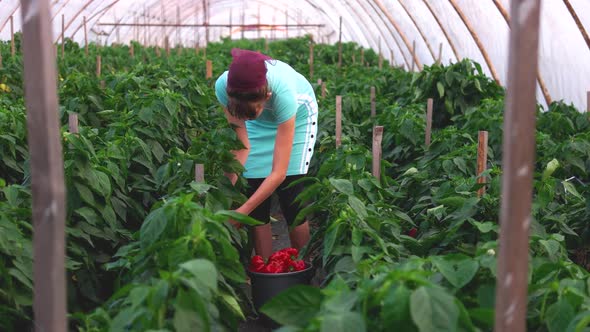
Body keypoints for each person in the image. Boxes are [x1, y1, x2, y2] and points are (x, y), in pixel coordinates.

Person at [214, 48, 318, 260]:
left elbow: (278, 173)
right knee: (254, 190)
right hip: (259, 124)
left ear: (267, 97)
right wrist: (223, 196)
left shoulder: (284, 95)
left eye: (252, 112)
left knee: (291, 191)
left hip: (297, 118)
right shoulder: (225, 89)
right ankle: (266, 268)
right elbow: (241, 146)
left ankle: (303, 268)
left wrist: (240, 213)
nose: (247, 118)